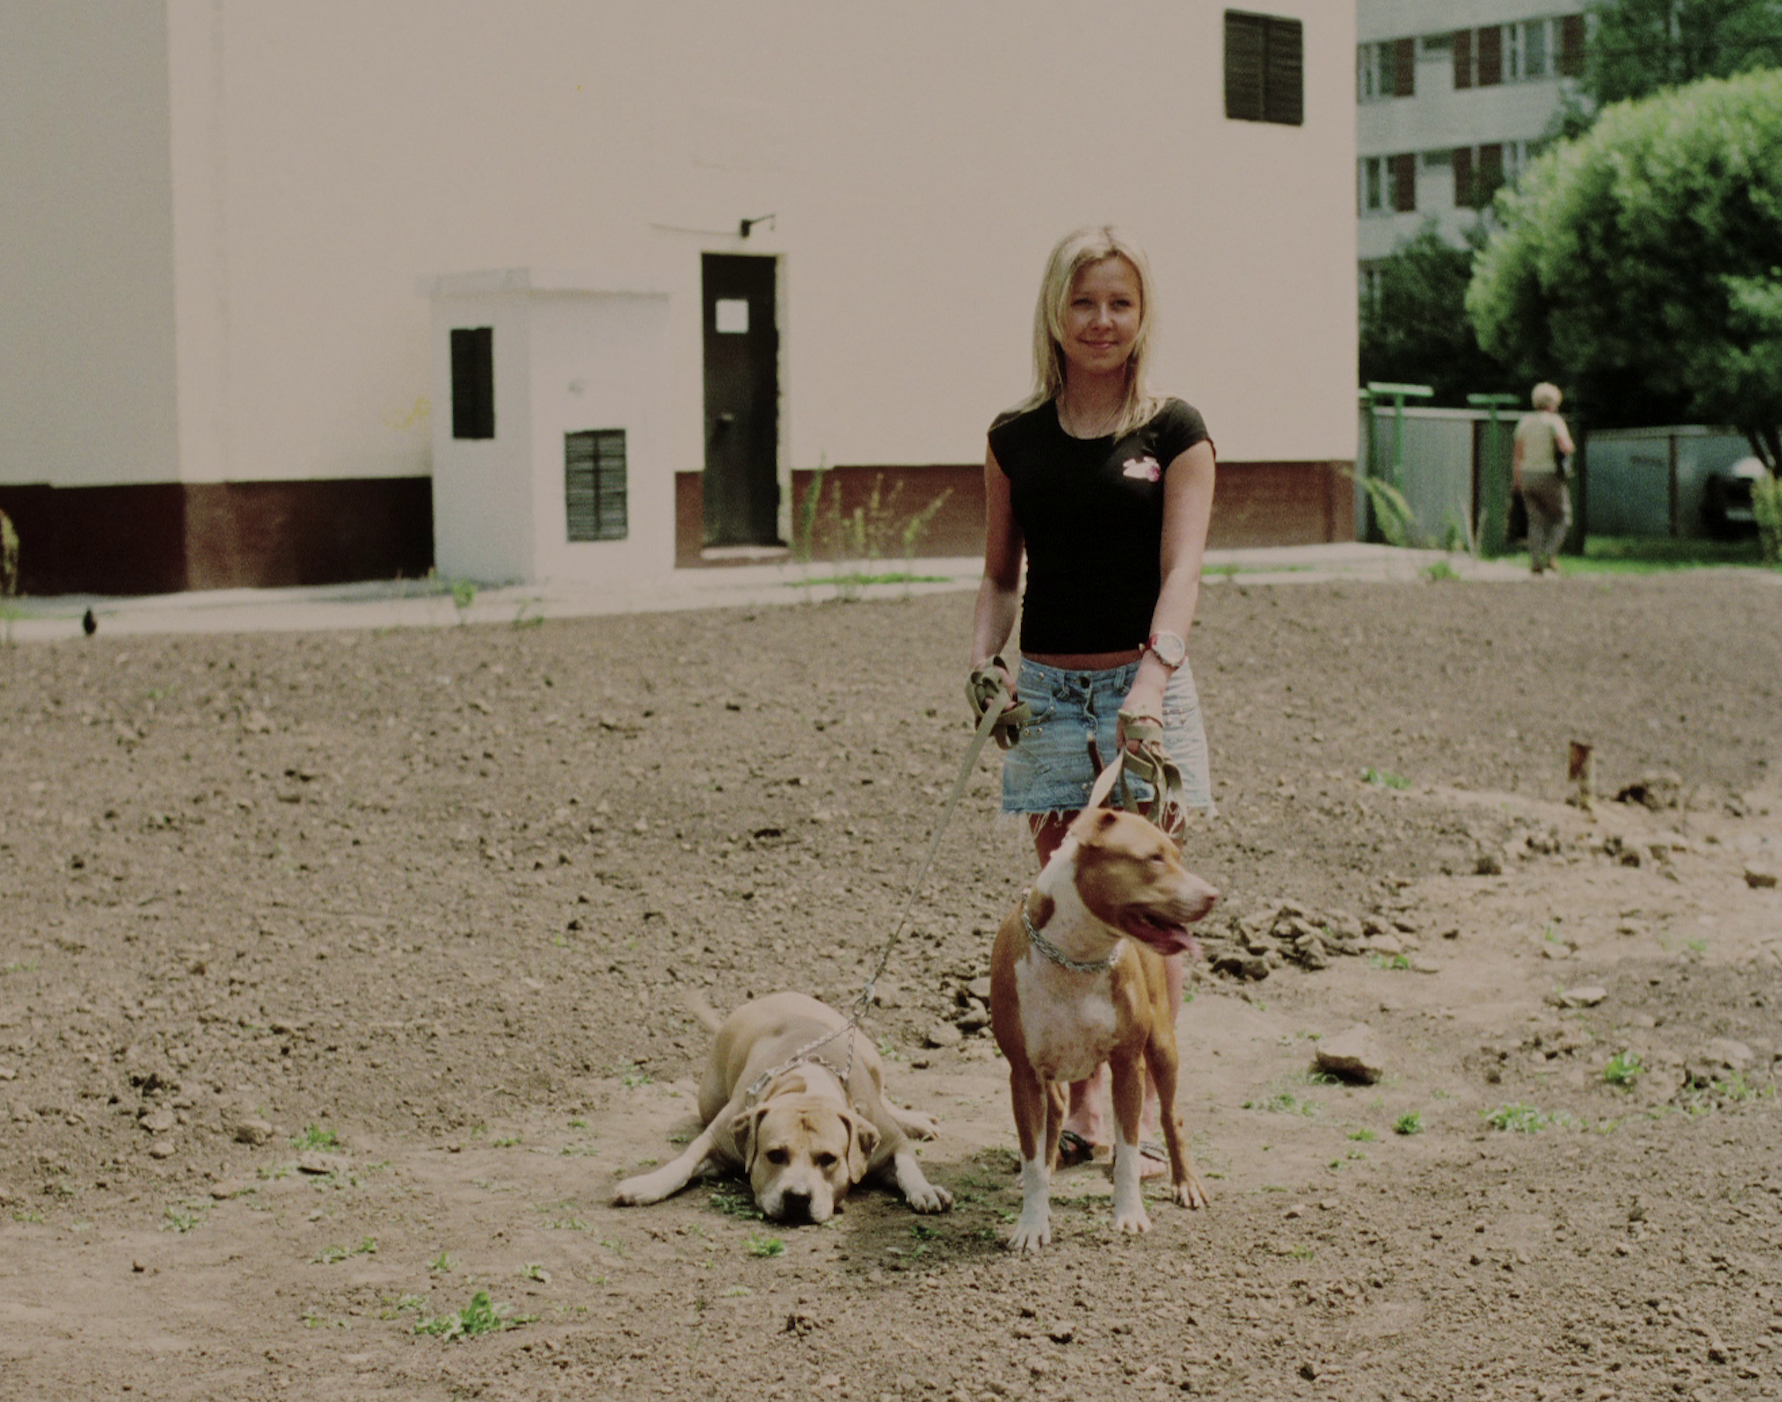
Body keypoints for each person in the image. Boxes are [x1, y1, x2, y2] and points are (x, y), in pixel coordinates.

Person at [969, 226, 1217, 1171]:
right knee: (1068, 906)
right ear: (1054, 312)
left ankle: (1139, 1122)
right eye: (1083, 302)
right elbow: (1001, 575)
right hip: (1047, 694)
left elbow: (1182, 570)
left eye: (1119, 302)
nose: (1101, 320)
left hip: (1143, 690)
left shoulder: (1176, 432)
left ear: (1142, 314)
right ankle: (1082, 1112)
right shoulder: (1014, 438)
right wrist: (986, 662)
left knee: (1148, 912)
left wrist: (1152, 679)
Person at [1512, 382, 1575, 576]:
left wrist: (1517, 480)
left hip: (1527, 475)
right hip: (1549, 474)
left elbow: (1518, 454)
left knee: (1535, 520)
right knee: (1562, 517)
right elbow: (1565, 446)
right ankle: (1548, 555)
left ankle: (1535, 562)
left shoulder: (1524, 422)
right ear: (1553, 402)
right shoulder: (1554, 421)